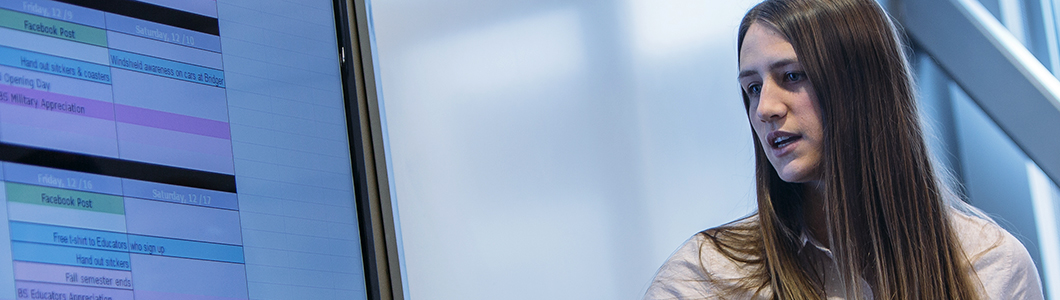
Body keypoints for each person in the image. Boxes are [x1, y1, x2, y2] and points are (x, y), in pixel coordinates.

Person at [643, 0, 1045, 299]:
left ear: (864, 88)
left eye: (792, 76)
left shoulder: (990, 267)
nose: (764, 108)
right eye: (752, 88)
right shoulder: (706, 279)